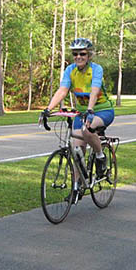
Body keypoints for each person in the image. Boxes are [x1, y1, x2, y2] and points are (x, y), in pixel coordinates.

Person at [40, 38, 114, 197]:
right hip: (82, 113)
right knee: (76, 149)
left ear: (89, 56)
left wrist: (90, 109)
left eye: (82, 53)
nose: (78, 56)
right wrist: (48, 109)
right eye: (75, 54)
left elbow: (94, 90)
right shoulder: (70, 70)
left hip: (102, 111)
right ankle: (76, 187)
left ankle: (100, 157)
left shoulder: (96, 69)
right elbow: (62, 91)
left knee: (88, 130)